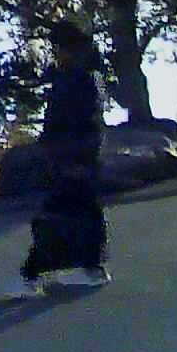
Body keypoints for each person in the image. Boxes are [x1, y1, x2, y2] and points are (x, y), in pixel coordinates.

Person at [13, 20, 112, 297]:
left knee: (54, 213)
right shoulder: (83, 76)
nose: (55, 52)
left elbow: (67, 121)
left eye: (57, 47)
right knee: (86, 210)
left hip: (72, 157)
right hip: (81, 156)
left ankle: (31, 276)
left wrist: (60, 153)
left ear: (67, 48)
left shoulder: (75, 79)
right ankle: (92, 269)